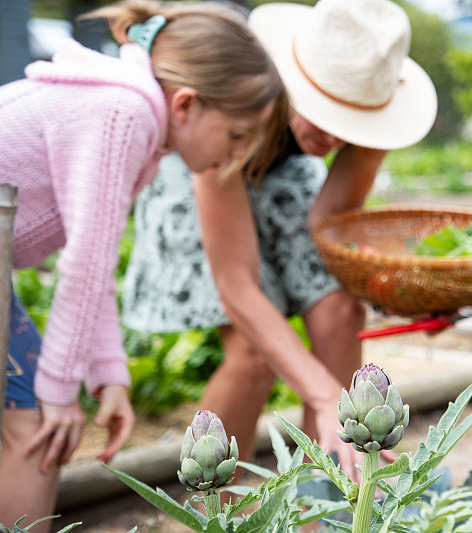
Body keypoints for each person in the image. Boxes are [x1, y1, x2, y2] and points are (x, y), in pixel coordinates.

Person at [0, 0, 289, 528]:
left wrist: (108, 375)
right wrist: (60, 390)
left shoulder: (136, 117)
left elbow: (91, 258)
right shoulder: (124, 113)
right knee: (37, 421)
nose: (235, 156)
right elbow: (85, 264)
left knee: (34, 421)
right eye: (237, 136)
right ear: (187, 104)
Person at [122, 0, 437, 480]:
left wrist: (395, 290)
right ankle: (215, 518)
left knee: (340, 310)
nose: (333, 135)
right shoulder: (233, 99)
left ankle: (328, 507)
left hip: (284, 174)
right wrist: (321, 392)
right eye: (323, 112)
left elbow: (326, 226)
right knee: (253, 355)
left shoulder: (372, 99)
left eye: (348, 125)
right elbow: (237, 284)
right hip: (206, 168)